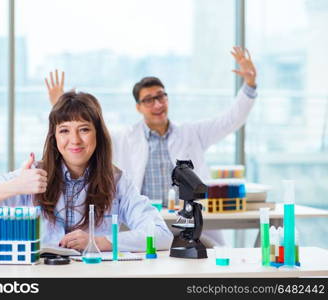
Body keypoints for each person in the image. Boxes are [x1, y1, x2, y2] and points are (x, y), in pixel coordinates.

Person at [45, 46, 257, 246]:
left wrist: (249, 86)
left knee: (203, 253)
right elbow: (83, 140)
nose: (157, 104)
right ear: (138, 107)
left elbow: (230, 120)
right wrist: (61, 107)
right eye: (148, 100)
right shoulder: (125, 138)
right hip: (144, 220)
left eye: (161, 96)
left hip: (184, 219)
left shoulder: (192, 133)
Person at [0, 92, 173, 252]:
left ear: (98, 134)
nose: (75, 140)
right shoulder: (33, 176)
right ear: (54, 137)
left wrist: (99, 242)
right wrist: (14, 187)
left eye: (84, 129)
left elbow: (162, 235)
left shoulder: (115, 180)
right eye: (64, 130)